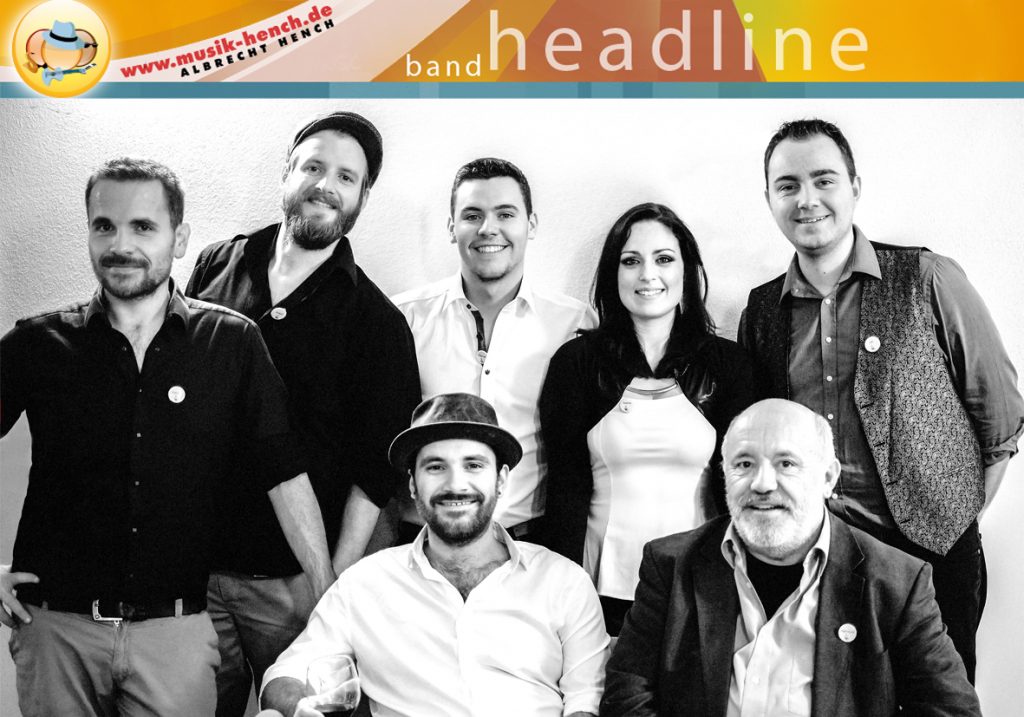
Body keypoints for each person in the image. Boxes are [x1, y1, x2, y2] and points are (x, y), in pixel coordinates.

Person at [0, 158, 333, 716]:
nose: (120, 245)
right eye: (104, 226)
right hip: (56, 630)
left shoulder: (232, 343)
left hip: (176, 633)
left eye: (143, 227)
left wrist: (329, 597)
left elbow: (284, 474)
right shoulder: (39, 344)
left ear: (179, 240)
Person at [739, 118, 1024, 682]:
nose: (807, 199)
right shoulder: (762, 311)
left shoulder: (927, 277)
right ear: (769, 198)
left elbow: (1001, 422)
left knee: (938, 703)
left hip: (935, 560)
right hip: (820, 563)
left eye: (824, 180)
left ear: (854, 187)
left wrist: (953, 523)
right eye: (788, 185)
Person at [185, 111, 421, 714]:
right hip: (192, 574)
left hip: (294, 587)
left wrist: (331, 587)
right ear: (287, 173)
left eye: (346, 177)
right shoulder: (218, 263)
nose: (325, 185)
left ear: (362, 197)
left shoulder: (377, 322)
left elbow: (374, 472)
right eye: (313, 167)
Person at [601, 399, 980, 716]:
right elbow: (626, 695)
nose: (762, 484)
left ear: (828, 477)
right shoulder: (670, 565)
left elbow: (951, 711)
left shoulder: (897, 582)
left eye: (786, 463)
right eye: (743, 464)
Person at [260, 393, 609, 717]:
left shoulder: (564, 581)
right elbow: (285, 675)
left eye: (473, 465)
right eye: (436, 467)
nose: (455, 485)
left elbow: (587, 699)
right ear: (413, 484)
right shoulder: (364, 584)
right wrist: (301, 708)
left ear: (501, 480)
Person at [540, 202, 755, 635]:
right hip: (600, 596)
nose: (647, 275)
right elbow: (563, 488)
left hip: (704, 590)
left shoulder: (730, 365)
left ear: (687, 271)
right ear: (612, 273)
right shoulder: (576, 363)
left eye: (664, 259)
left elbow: (746, 486)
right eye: (631, 261)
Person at [390, 158, 594, 543]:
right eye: (472, 215)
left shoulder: (575, 325)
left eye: (505, 214)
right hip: (421, 541)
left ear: (531, 224)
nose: (488, 228)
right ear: (451, 227)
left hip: (534, 543)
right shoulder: (403, 319)